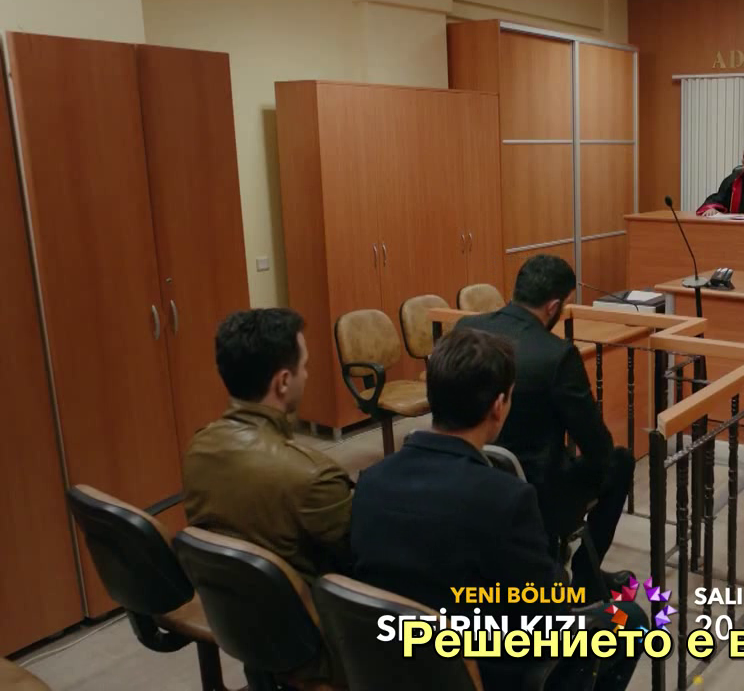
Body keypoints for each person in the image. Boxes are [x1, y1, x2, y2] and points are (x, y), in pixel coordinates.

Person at [350, 328, 645, 691]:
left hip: (396, 663)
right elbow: (548, 616)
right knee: (630, 620)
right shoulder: (507, 498)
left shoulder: (371, 481)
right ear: (499, 405)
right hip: (488, 672)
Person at [456, 255, 634, 595]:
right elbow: (596, 444)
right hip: (538, 493)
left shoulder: (466, 328)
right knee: (619, 460)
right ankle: (586, 576)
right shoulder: (556, 355)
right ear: (554, 306)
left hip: (470, 473)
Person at [184, 308, 354, 583]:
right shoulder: (315, 476)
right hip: (304, 607)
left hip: (225, 601)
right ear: (284, 381)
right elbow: (359, 562)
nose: (307, 375)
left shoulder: (197, 447)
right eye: (305, 366)